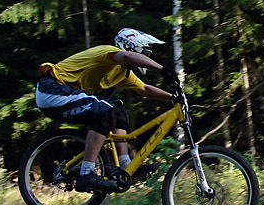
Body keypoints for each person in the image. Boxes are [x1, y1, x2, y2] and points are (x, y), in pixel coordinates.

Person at [34, 28, 177, 192]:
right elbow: (127, 56)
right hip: (51, 89)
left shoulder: (122, 72)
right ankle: (86, 173)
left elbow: (144, 89)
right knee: (106, 112)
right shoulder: (108, 52)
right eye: (144, 53)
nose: (146, 58)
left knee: (118, 111)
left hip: (62, 95)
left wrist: (172, 97)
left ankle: (126, 166)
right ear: (131, 46)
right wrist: (163, 69)